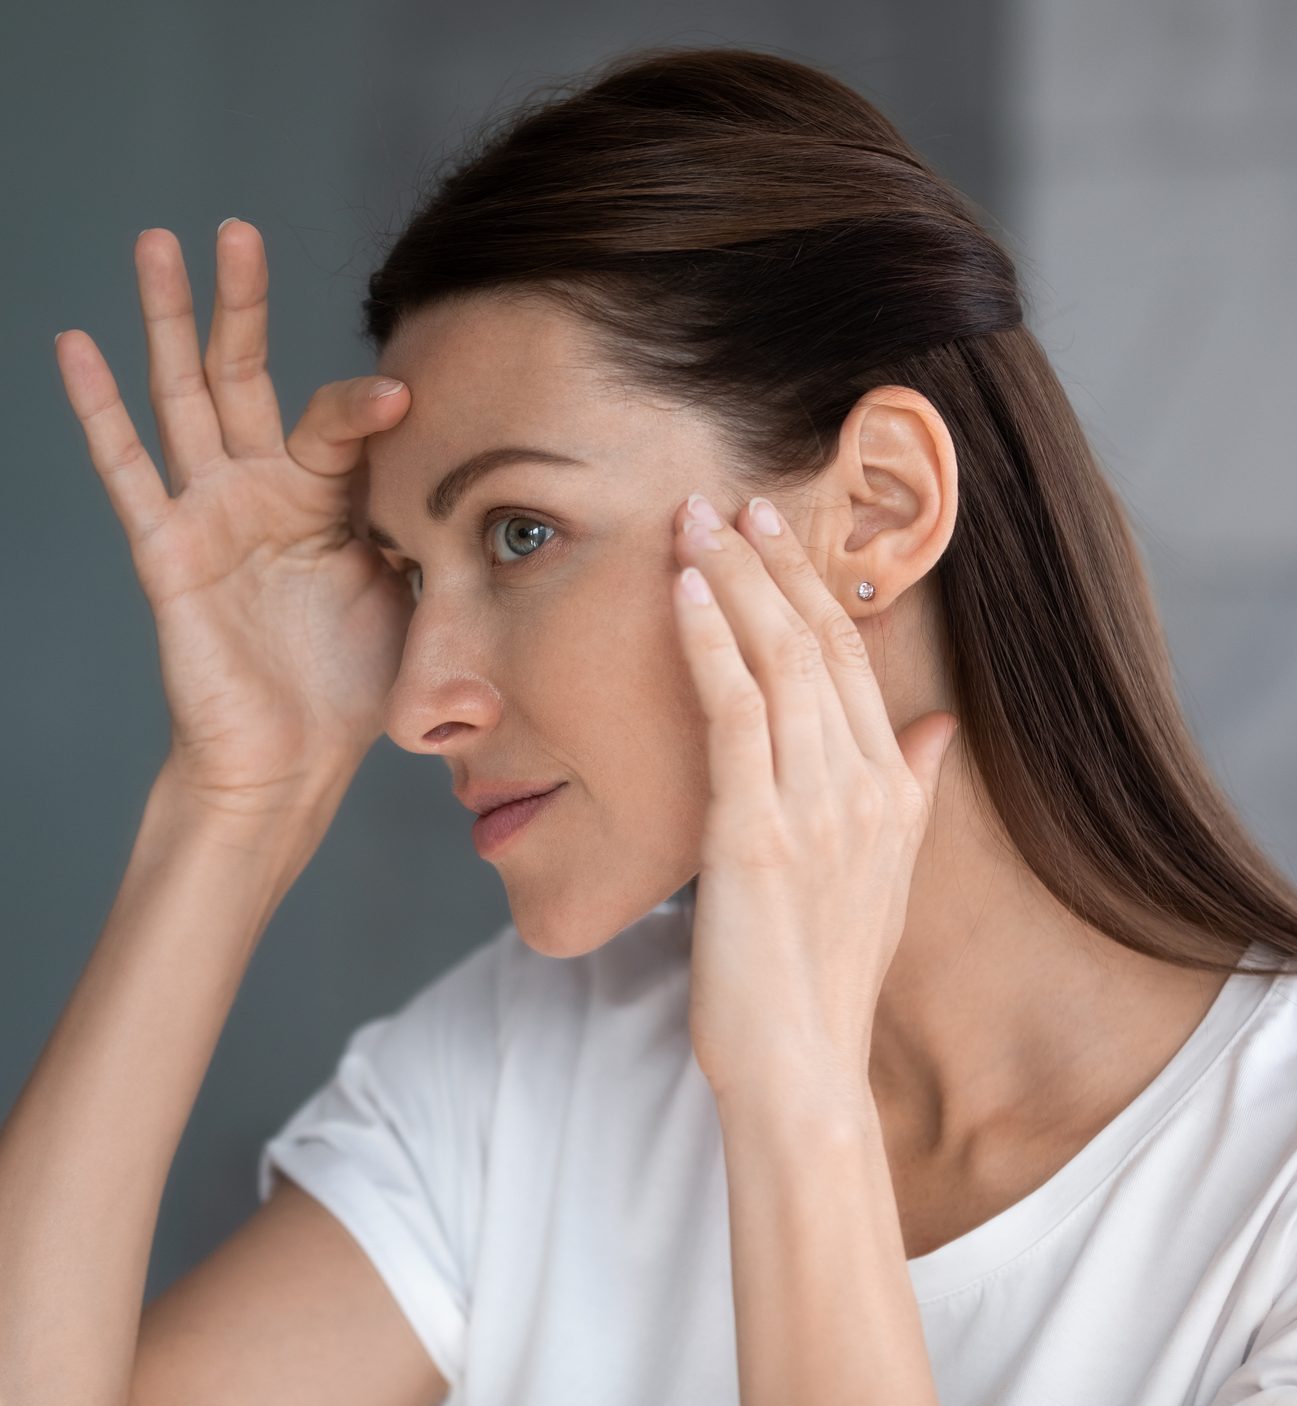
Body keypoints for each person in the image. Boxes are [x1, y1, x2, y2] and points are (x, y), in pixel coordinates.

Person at [3, 42, 1296, 1406]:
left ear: (879, 507)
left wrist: (796, 1095)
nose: (414, 700)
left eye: (519, 531)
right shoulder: (530, 1063)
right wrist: (234, 801)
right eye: (403, 570)